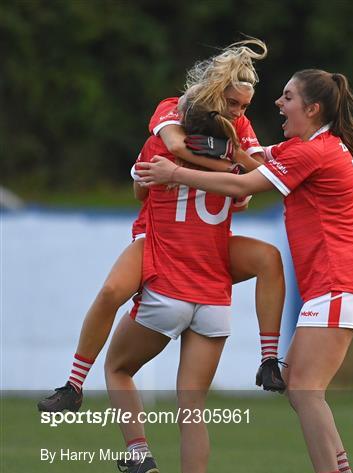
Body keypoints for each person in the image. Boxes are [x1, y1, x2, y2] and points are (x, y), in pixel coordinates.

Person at [135, 68, 353, 473]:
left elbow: (246, 183)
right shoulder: (305, 148)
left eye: (286, 97)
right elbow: (247, 158)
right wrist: (180, 121)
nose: (277, 104)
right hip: (341, 284)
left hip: (341, 283)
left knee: (306, 389)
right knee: (299, 385)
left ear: (312, 109)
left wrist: (175, 171)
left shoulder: (315, 152)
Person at [37, 38, 286, 414]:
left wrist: (230, 166)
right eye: (232, 103)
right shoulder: (173, 110)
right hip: (157, 237)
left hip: (204, 248)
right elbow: (170, 155)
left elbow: (258, 175)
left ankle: (269, 359)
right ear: (213, 92)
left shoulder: (239, 127)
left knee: (269, 259)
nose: (237, 112)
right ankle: (73, 384)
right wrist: (226, 171)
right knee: (110, 293)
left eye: (243, 106)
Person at [106, 97, 249, 473]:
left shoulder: (159, 150)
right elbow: (243, 198)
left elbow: (138, 190)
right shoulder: (234, 172)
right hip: (215, 299)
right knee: (192, 404)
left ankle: (138, 454)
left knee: (117, 368)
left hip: (169, 288)